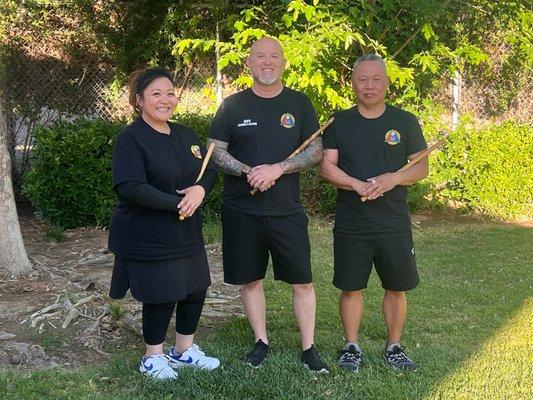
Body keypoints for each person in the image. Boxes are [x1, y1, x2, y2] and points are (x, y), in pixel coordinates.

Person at [207, 37, 329, 373]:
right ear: (248, 63)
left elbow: (316, 151)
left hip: (287, 209)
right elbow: (214, 151)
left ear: (283, 63)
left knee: (302, 281)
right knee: (251, 280)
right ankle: (261, 341)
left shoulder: (300, 103)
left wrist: (279, 168)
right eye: (260, 56)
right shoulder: (232, 106)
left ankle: (309, 348)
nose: (267, 62)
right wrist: (249, 172)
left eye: (274, 56)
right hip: (242, 209)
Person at [108, 67, 220, 380]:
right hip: (148, 232)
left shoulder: (186, 135)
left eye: (170, 93)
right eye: (156, 93)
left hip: (186, 231)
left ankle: (183, 352)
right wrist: (178, 203)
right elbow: (130, 186)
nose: (165, 99)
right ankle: (152, 357)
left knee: (196, 289)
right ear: (139, 99)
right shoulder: (131, 138)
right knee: (163, 292)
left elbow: (207, 169)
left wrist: (200, 189)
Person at [319, 54, 428, 371]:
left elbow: (421, 165)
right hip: (352, 221)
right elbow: (326, 167)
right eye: (362, 79)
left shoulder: (405, 121)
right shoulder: (340, 121)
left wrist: (394, 178)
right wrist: (355, 184)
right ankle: (351, 346)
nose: (369, 85)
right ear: (352, 83)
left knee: (396, 286)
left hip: (393, 221)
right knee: (351, 287)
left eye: (375, 79)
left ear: (386, 84)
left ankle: (394, 346)